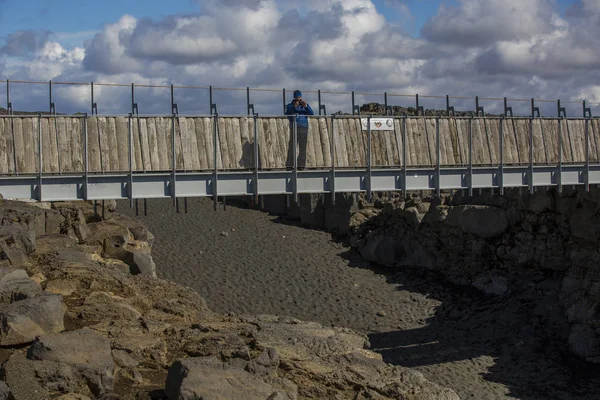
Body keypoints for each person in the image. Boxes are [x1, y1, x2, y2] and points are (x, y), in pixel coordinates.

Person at [285, 90, 314, 169]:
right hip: (294, 126)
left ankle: (301, 165)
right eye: (297, 97)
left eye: (300, 97)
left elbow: (311, 113)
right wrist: (295, 107)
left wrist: (306, 106)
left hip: (304, 127)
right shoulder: (290, 106)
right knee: (292, 146)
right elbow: (288, 113)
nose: (298, 99)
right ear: (294, 97)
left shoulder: (304, 105)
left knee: (302, 147)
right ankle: (290, 165)